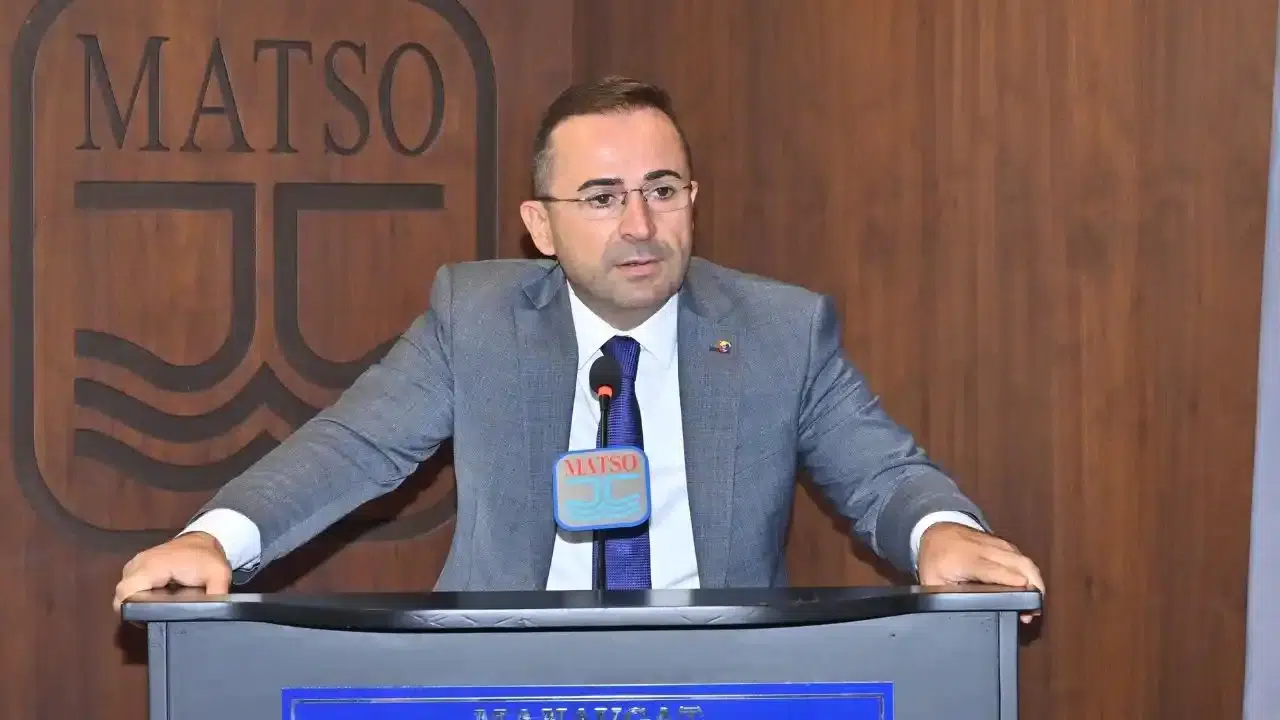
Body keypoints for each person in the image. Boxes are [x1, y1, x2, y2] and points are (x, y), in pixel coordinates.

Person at [113, 76, 1044, 617]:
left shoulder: (780, 331)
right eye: (601, 198)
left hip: (718, 682)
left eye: (662, 190)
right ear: (540, 227)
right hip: (507, 682)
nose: (639, 224)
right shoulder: (475, 320)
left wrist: (942, 531)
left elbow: (881, 472)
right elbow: (354, 448)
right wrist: (213, 539)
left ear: (691, 200)